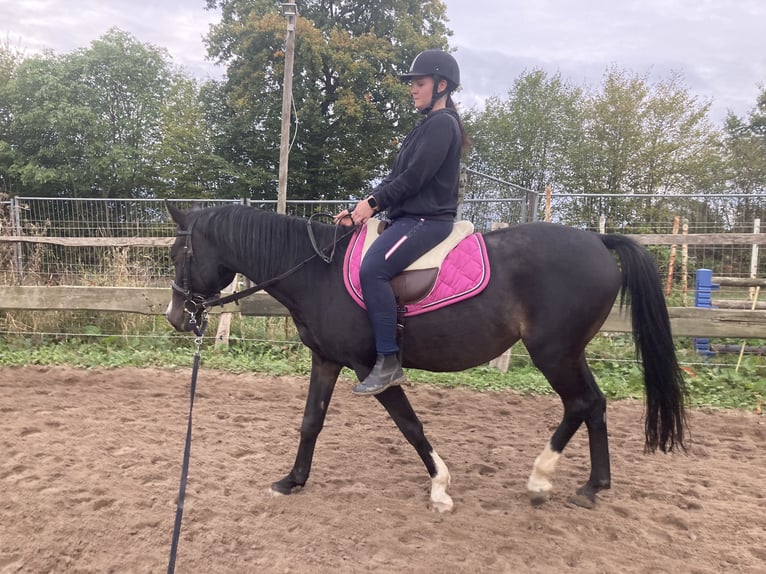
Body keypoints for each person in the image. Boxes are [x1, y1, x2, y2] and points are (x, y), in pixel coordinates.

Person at [333, 49, 469, 396]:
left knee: (373, 269)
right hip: (406, 218)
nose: (413, 89)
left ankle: (388, 360)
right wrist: (361, 209)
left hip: (426, 220)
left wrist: (372, 205)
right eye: (413, 84)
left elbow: (415, 178)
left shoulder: (442, 125)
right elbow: (396, 177)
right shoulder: (425, 127)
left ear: (441, 85)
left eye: (419, 83)